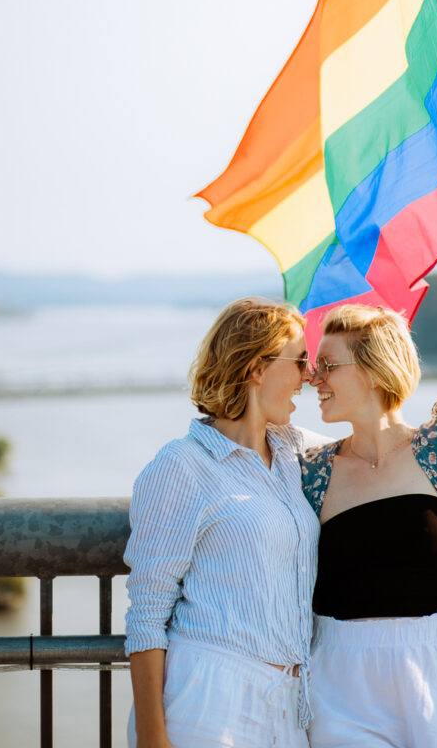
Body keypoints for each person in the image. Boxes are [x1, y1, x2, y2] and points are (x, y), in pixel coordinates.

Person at [300, 132, 437, 748]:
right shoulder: (307, 471)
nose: (313, 379)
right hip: (338, 683)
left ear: (374, 371)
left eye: (329, 366)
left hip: (436, 673)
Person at [123, 298, 320, 748]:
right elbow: (148, 612)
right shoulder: (182, 465)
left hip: (289, 704)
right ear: (257, 368)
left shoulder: (293, 451)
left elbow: (373, 446)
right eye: (300, 361)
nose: (308, 375)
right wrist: (153, 737)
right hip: (210, 698)